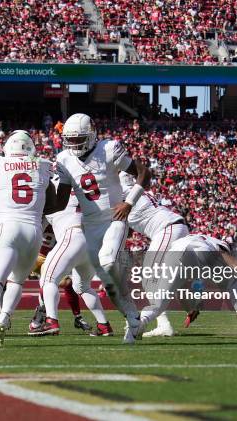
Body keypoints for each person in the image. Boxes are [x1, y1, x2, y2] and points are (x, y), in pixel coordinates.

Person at [52, 113, 151, 344]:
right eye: (71, 140)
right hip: (89, 224)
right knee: (80, 284)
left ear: (92, 134)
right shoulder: (65, 159)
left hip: (113, 218)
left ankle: (131, 311)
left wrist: (129, 202)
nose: (75, 144)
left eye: (79, 139)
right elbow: (60, 201)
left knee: (107, 263)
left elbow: (144, 173)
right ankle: (133, 318)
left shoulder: (109, 148)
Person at [0, 130, 55, 347]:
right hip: (34, 231)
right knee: (17, 281)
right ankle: (5, 317)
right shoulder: (43, 166)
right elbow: (54, 204)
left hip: (9, 226)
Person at [30, 174, 112, 336]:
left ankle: (51, 321)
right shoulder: (80, 188)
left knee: (47, 279)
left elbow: (37, 220)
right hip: (93, 240)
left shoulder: (49, 189)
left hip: (73, 235)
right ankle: (104, 326)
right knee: (82, 286)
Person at [138, 234, 237, 336]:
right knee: (232, 283)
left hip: (173, 254)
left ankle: (138, 324)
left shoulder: (187, 239)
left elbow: (180, 289)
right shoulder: (215, 244)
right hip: (201, 251)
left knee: (159, 303)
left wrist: (190, 310)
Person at [118, 172, 190, 338]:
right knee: (161, 278)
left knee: (149, 276)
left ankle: (149, 321)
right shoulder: (137, 193)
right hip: (174, 228)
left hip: (167, 229)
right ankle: (165, 321)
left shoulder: (125, 194)